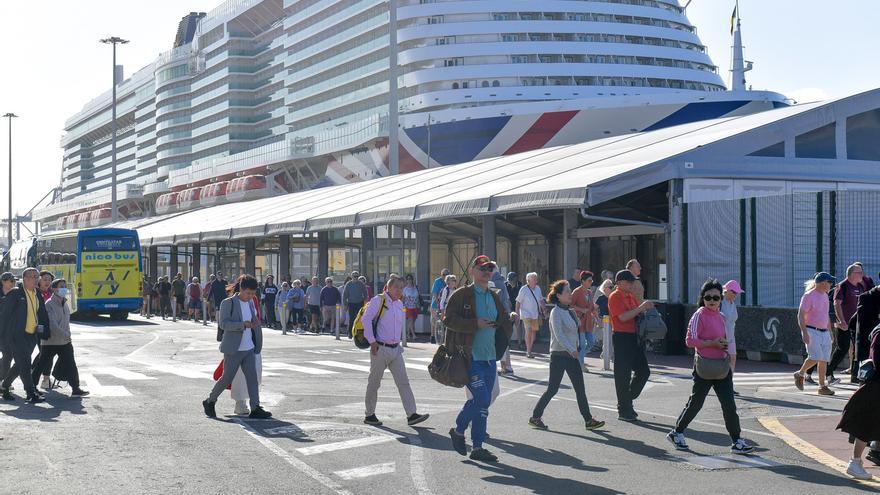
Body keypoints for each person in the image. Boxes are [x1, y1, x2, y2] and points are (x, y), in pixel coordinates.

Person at [667, 279, 754, 455]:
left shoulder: (721, 316)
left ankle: (737, 441)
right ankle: (677, 432)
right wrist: (712, 343)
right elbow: (690, 341)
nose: (712, 300)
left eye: (715, 297)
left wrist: (725, 349)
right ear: (703, 298)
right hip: (704, 367)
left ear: (720, 298)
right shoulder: (699, 315)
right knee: (696, 403)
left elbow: (725, 341)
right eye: (708, 297)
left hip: (722, 367)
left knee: (729, 405)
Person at [445, 255, 514, 463]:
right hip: (470, 356)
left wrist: (510, 319)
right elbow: (448, 319)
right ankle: (458, 429)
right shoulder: (462, 295)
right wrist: (475, 324)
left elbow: (501, 319)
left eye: (490, 268)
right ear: (473, 271)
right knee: (481, 398)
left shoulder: (493, 296)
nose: (486, 271)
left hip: (489, 357)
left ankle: (477, 447)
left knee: (483, 405)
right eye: (482, 268)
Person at [529, 280, 605, 432]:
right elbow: (559, 335)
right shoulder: (555, 312)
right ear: (558, 295)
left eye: (570, 291)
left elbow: (575, 330)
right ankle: (535, 417)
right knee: (552, 389)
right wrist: (573, 349)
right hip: (558, 356)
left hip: (571, 356)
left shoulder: (570, 310)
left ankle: (588, 420)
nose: (570, 294)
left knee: (580, 389)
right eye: (567, 292)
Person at [362, 275, 430, 427]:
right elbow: (366, 319)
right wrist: (372, 341)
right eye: (397, 287)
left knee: (403, 382)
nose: (400, 290)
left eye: (401, 287)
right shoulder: (378, 300)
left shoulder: (399, 304)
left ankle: (412, 414)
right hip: (380, 348)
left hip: (395, 349)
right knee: (374, 382)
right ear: (388, 287)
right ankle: (370, 414)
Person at [202, 275, 271, 419]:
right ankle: (210, 401)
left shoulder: (251, 302)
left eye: (253, 293)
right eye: (248, 293)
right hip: (234, 348)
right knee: (226, 378)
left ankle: (255, 407)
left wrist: (255, 325)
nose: (251, 296)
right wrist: (242, 325)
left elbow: (253, 319)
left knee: (252, 379)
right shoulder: (228, 303)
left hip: (249, 347)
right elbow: (223, 324)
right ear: (241, 289)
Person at [808, 263, 867, 385]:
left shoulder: (860, 287)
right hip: (842, 323)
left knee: (856, 349)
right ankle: (815, 373)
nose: (862, 274)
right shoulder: (843, 286)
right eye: (859, 272)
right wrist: (841, 320)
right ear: (852, 274)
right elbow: (836, 304)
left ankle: (854, 375)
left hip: (856, 324)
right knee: (841, 348)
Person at [609, 269, 654, 421]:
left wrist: (644, 310)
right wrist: (641, 308)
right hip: (621, 337)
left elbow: (635, 314)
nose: (631, 284)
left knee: (644, 371)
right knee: (623, 374)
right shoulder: (615, 296)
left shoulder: (630, 296)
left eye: (632, 281)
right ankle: (624, 408)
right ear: (619, 282)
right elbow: (622, 317)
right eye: (628, 281)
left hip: (634, 337)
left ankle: (626, 401)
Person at [837, 321, 880, 480]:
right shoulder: (879, 332)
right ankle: (854, 463)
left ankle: (855, 463)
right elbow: (877, 360)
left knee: (869, 425)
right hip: (875, 387)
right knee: (866, 426)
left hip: (875, 387)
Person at [31, 279, 89, 397]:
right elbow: (53, 325)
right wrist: (66, 334)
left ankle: (75, 388)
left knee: (71, 364)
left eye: (64, 286)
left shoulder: (65, 303)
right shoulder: (49, 304)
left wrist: (67, 335)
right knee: (41, 364)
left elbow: (66, 323)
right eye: (60, 286)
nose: (64, 288)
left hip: (64, 342)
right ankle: (31, 387)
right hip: (50, 342)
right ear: (53, 289)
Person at [0, 268, 50, 403]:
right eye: (33, 276)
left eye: (37, 276)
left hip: (31, 335)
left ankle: (4, 386)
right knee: (26, 364)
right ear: (25, 279)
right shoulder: (16, 294)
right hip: (16, 336)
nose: (36, 279)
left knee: (20, 364)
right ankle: (30, 393)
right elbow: (3, 316)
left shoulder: (37, 293)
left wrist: (45, 330)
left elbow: (42, 313)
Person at [793, 272, 836, 396]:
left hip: (824, 332)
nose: (831, 285)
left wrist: (830, 332)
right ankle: (800, 373)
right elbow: (800, 315)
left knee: (824, 359)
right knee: (816, 357)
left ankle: (822, 387)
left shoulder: (825, 295)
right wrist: (804, 332)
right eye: (829, 282)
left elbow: (826, 315)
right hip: (812, 330)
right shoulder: (808, 296)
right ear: (823, 283)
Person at [720, 280, 745, 394]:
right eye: (734, 292)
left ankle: (729, 384)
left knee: (733, 358)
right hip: (720, 337)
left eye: (737, 292)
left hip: (731, 336)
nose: (736, 295)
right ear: (727, 291)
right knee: (719, 361)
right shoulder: (720, 302)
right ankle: (711, 383)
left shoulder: (732, 303)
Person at [571, 271, 596, 372]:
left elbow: (592, 308)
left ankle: (578, 358)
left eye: (591, 280)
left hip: (588, 322)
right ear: (583, 281)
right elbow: (570, 305)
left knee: (591, 342)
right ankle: (581, 364)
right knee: (582, 344)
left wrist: (598, 320)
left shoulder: (590, 292)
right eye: (589, 280)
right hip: (580, 321)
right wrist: (581, 310)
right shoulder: (577, 291)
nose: (591, 282)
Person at [516, 272, 544, 359]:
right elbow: (518, 302)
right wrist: (517, 313)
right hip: (525, 313)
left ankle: (530, 349)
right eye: (534, 279)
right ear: (528, 281)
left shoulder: (538, 288)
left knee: (533, 334)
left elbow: (541, 300)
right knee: (528, 330)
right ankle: (528, 351)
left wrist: (545, 310)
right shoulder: (523, 289)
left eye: (536, 279)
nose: (536, 281)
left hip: (535, 314)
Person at [0, 272, 18, 400]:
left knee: (8, 356)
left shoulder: (15, 294)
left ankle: (4, 381)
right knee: (7, 356)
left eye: (14, 281)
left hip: (10, 332)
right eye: (10, 280)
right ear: (3, 281)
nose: (13, 283)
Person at [430, 268, 450, 344]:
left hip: (445, 305)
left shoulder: (449, 282)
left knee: (442, 322)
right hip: (436, 305)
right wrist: (438, 302)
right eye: (443, 274)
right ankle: (432, 337)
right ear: (441, 275)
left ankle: (441, 338)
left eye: (447, 274)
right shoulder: (437, 281)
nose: (445, 276)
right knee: (434, 321)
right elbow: (434, 293)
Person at [437, 274, 458, 344]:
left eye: (455, 281)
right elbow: (442, 301)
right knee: (447, 322)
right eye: (453, 281)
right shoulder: (446, 290)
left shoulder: (455, 289)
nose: (455, 282)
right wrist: (442, 311)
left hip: (454, 307)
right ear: (449, 282)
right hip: (446, 307)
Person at [505, 272, 523, 350]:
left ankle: (520, 343)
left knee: (518, 325)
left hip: (518, 308)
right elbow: (505, 297)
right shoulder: (505, 285)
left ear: (515, 280)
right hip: (509, 308)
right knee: (509, 326)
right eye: (509, 280)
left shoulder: (520, 286)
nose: (510, 282)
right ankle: (507, 343)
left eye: (512, 280)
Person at [403, 275, 421, 342]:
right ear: (406, 280)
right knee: (410, 321)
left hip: (415, 306)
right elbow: (403, 298)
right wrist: (402, 307)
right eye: (408, 279)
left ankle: (408, 334)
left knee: (412, 322)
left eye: (410, 279)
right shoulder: (405, 289)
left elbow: (418, 297)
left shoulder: (415, 287)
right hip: (407, 307)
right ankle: (413, 335)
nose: (409, 280)